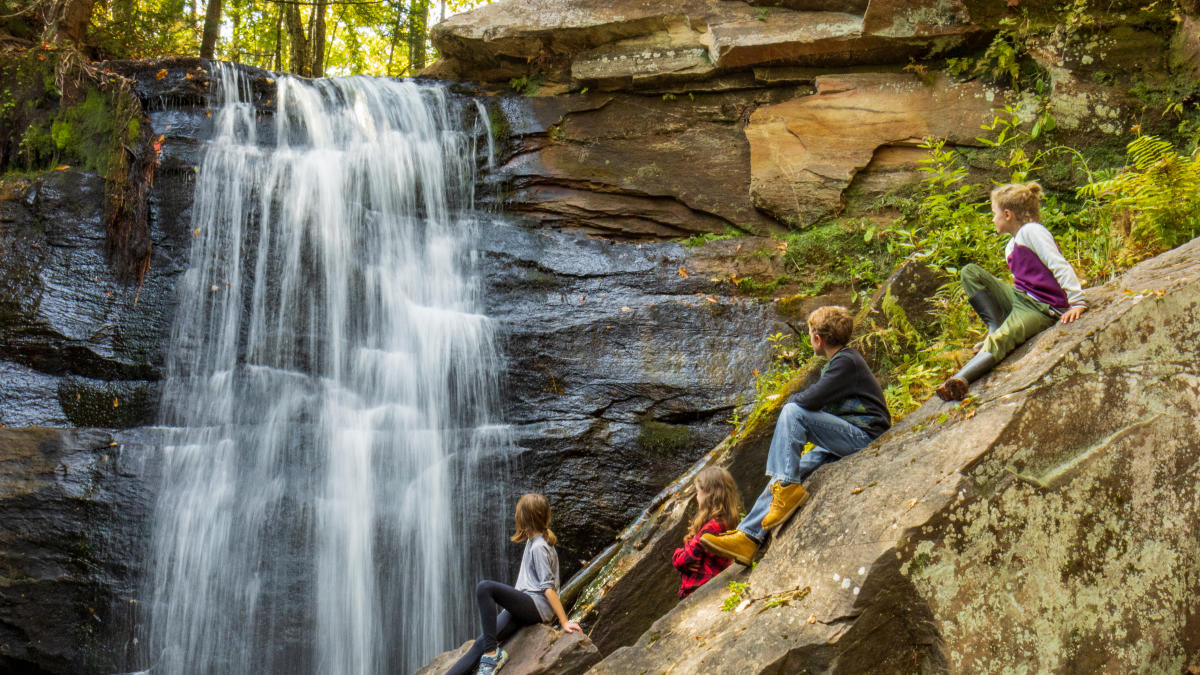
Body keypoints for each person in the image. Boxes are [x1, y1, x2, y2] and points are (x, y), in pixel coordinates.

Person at [700, 306, 891, 565]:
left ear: (817, 339)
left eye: (810, 332)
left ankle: (787, 490)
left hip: (865, 437)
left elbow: (809, 401)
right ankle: (748, 537)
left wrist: (790, 402)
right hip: (845, 439)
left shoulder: (846, 362)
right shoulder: (841, 363)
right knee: (791, 469)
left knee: (792, 412)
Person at [936, 182, 1087, 401]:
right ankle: (994, 328)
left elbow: (1059, 264)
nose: (992, 219)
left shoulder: (1032, 231)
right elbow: (1023, 281)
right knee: (971, 272)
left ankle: (960, 380)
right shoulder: (1011, 245)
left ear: (1007, 214)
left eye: (994, 213)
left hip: (1042, 307)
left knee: (1001, 340)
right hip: (1021, 299)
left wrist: (1077, 302)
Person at [446, 493, 581, 675]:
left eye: (518, 514)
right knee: (483, 642)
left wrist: (564, 622)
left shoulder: (539, 547)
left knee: (484, 587)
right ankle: (487, 653)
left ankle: (492, 656)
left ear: (525, 518)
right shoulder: (534, 540)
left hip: (536, 608)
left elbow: (548, 589)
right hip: (524, 607)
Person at [671, 466, 742, 598]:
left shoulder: (712, 527)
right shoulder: (727, 520)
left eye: (698, 492)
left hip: (700, 589)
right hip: (710, 584)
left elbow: (684, 560)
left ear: (709, 495)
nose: (696, 497)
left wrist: (677, 555)